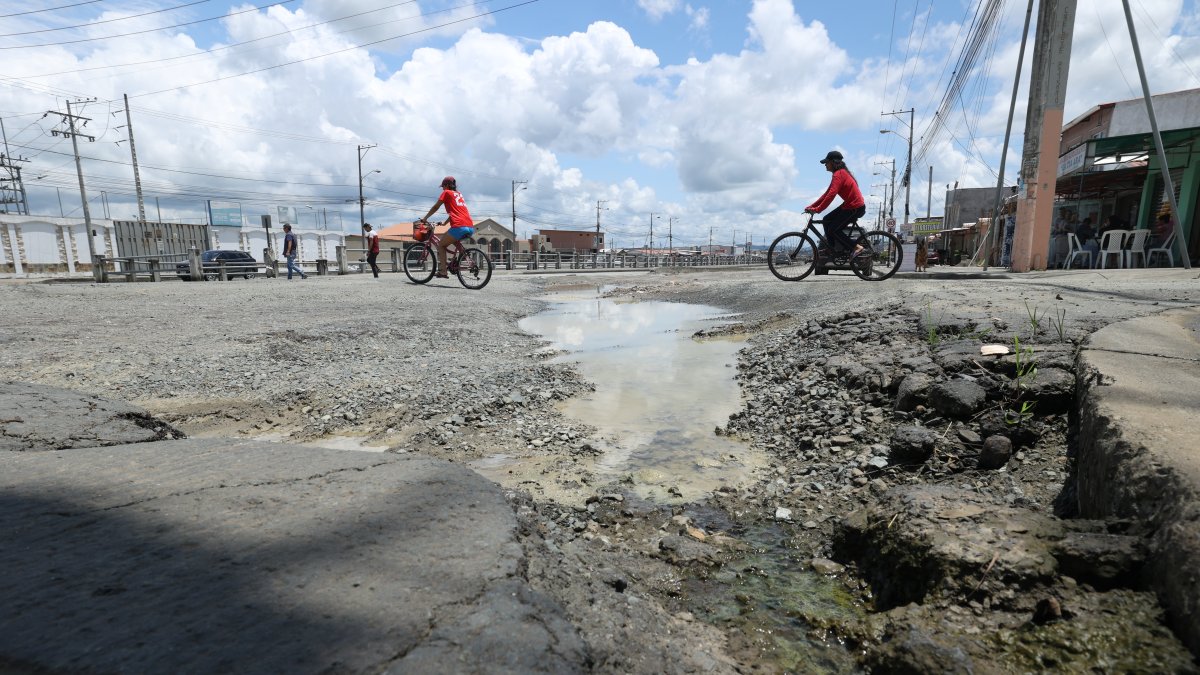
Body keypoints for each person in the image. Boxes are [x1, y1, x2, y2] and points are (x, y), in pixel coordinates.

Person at [805, 150, 867, 258]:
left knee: (834, 230)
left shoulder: (839, 174)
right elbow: (826, 194)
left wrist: (818, 209)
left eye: (827, 162)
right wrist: (812, 206)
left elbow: (831, 195)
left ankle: (857, 247)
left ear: (834, 162)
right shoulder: (839, 174)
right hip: (849, 206)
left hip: (855, 207)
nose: (825, 164)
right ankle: (832, 248)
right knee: (826, 220)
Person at [420, 176, 474, 278]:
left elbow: (436, 207)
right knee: (454, 240)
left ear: (447, 185)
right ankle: (466, 259)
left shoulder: (446, 193)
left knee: (441, 245)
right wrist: (445, 223)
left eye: (443, 186)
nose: (443, 189)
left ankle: (443, 271)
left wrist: (425, 218)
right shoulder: (459, 194)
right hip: (470, 226)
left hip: (459, 226)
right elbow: (455, 212)